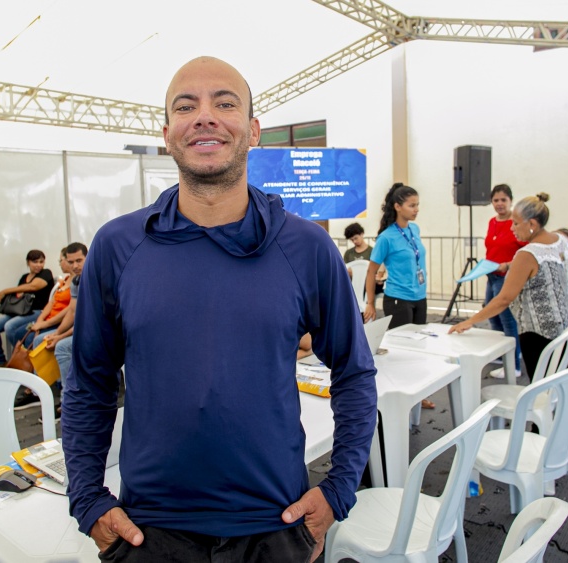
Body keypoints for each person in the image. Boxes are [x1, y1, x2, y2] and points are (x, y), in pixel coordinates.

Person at [63, 56, 377, 562]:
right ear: (168, 134)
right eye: (186, 106)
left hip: (276, 525)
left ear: (253, 131)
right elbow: (88, 383)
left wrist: (338, 489)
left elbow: (355, 372)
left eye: (224, 103)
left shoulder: (307, 248)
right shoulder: (118, 246)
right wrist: (87, 498)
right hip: (148, 531)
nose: (205, 116)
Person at [448, 193, 568, 453]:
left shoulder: (528, 253)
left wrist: (469, 321)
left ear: (532, 224)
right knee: (562, 382)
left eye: (516, 223)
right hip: (567, 326)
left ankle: (540, 442)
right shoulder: (562, 240)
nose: (512, 228)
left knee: (542, 387)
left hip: (539, 331)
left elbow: (504, 299)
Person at [363, 184, 434, 409]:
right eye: (411, 205)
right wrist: (371, 303)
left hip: (419, 296)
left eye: (417, 205)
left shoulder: (415, 230)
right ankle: (402, 396)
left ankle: (418, 393)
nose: (416, 209)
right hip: (397, 298)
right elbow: (371, 271)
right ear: (397, 206)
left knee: (419, 348)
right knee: (403, 352)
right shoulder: (387, 237)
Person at [17, 242, 88, 415]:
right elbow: (72, 311)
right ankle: (37, 390)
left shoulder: (94, 279)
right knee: (44, 339)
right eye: (71, 262)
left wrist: (60, 336)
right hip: (79, 327)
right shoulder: (76, 281)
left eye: (79, 260)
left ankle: (68, 401)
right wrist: (56, 334)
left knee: (62, 347)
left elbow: (86, 320)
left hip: (99, 331)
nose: (75, 266)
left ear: (88, 257)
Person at [484, 184, 527, 377]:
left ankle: (514, 364)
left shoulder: (516, 224)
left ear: (510, 201)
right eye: (496, 200)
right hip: (492, 274)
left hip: (507, 276)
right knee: (492, 315)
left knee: (507, 319)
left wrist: (508, 264)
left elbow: (524, 252)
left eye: (503, 200)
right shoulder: (493, 222)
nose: (499, 204)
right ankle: (502, 354)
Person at [0, 250, 53, 366]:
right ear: (28, 263)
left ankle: (22, 359)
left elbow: (33, 287)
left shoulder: (46, 273)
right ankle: (0, 361)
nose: (39, 265)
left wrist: (5, 291)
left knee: (10, 326)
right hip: (21, 311)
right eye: (35, 262)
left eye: (41, 262)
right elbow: (20, 294)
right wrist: (19, 291)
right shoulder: (24, 277)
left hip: (37, 311)